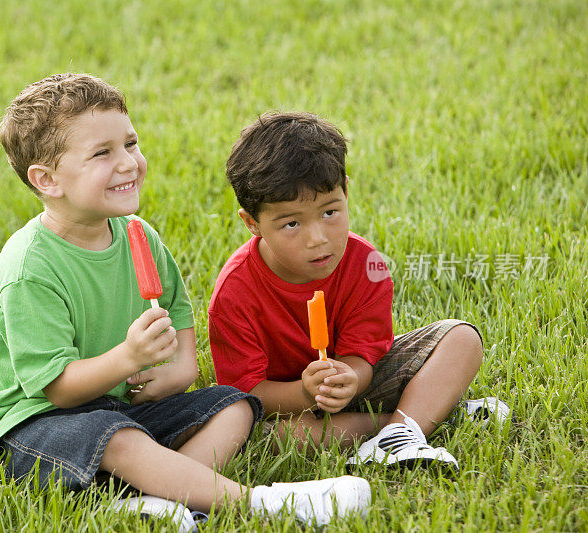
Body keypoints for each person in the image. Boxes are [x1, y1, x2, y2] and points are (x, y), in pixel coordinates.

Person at [0, 75, 371, 529]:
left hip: (124, 407)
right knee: (118, 437)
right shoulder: (30, 268)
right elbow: (57, 388)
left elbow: (182, 346)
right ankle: (259, 503)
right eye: (103, 153)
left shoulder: (140, 237)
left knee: (234, 406)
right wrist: (128, 358)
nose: (128, 163)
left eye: (130, 143)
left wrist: (164, 379)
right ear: (47, 180)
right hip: (36, 427)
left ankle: (160, 498)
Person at [209, 112, 510, 470]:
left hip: (358, 383)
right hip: (288, 404)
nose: (318, 238)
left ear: (346, 191)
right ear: (252, 223)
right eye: (291, 223)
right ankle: (403, 426)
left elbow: (365, 353)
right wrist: (305, 392)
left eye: (330, 212)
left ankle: (402, 427)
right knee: (277, 438)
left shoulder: (367, 265)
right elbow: (248, 392)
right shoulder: (235, 292)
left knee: (461, 339)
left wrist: (350, 376)